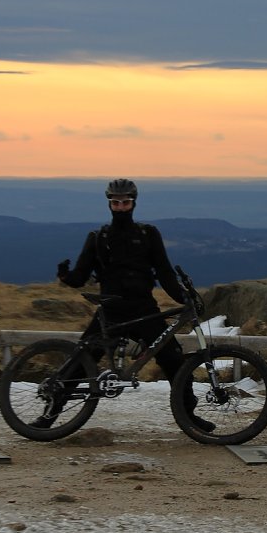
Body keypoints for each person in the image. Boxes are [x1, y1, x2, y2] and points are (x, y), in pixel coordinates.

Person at [50, 178, 215, 432]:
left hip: (144, 310)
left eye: (125, 202)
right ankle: (50, 414)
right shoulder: (98, 237)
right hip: (111, 310)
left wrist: (183, 297)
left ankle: (189, 417)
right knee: (82, 361)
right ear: (109, 204)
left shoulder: (149, 235)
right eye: (115, 203)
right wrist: (66, 275)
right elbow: (80, 277)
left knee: (173, 359)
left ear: (133, 203)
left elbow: (164, 272)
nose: (120, 207)